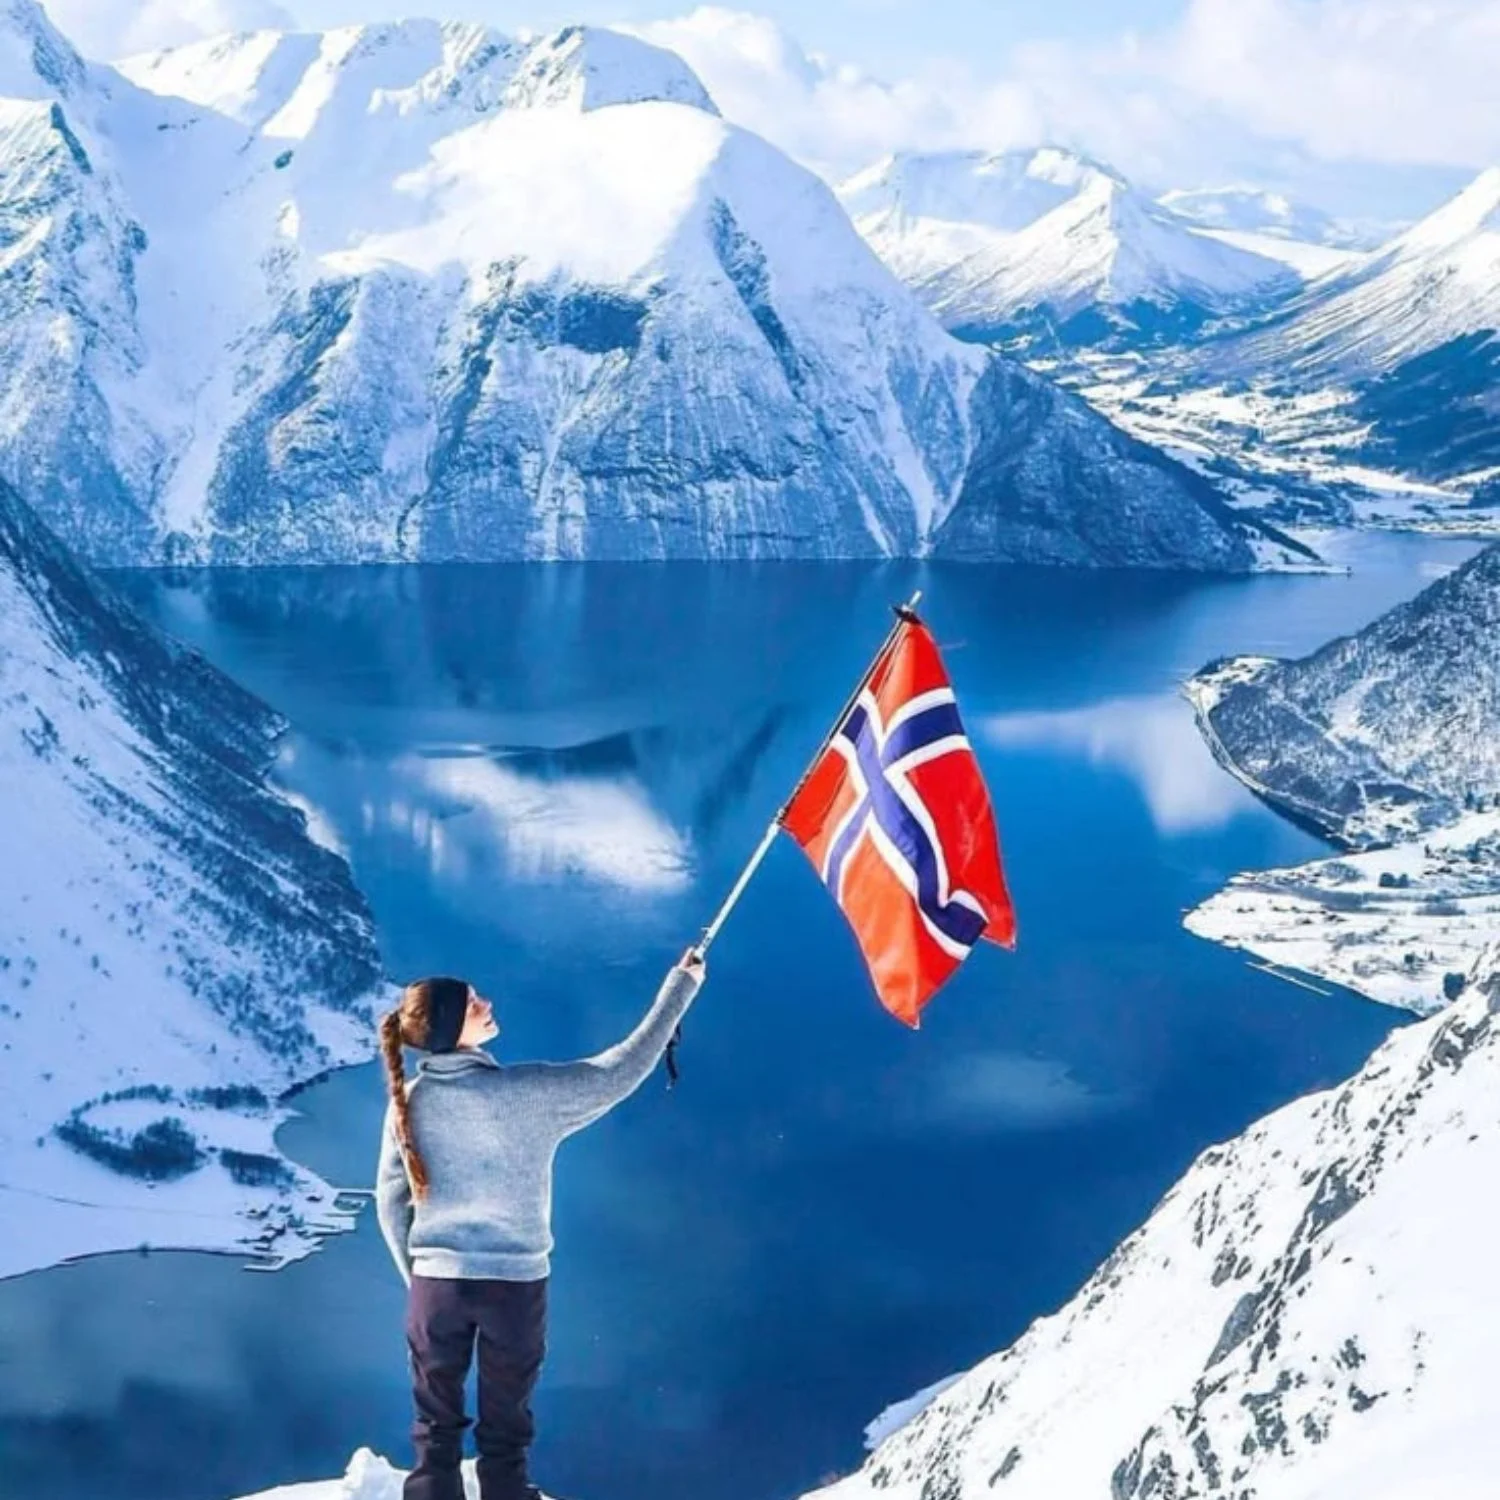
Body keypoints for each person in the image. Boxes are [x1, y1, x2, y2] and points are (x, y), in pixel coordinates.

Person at [375, 948, 706, 1500]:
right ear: (456, 1028)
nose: (487, 1003)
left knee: (435, 1432)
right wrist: (682, 985)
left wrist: (421, 1279)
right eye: (474, 1002)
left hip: (436, 1290)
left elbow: (390, 1201)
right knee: (506, 1434)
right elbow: (620, 1070)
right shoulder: (525, 1095)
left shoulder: (408, 1102)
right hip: (513, 1290)